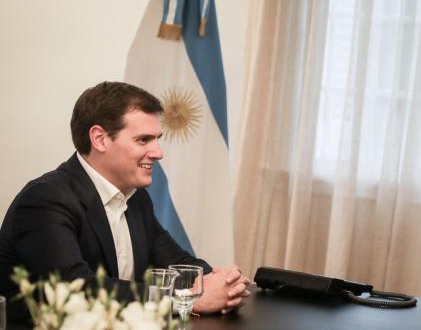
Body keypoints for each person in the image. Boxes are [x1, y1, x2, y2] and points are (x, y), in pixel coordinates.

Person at [0, 81, 250, 321]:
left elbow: (176, 261)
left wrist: (220, 281)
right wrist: (187, 298)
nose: (158, 152)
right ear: (99, 139)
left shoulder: (136, 196)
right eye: (143, 140)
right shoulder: (44, 201)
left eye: (157, 139)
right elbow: (77, 289)